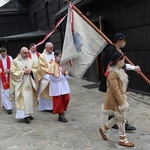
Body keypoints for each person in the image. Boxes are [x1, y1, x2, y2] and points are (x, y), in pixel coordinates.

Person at [99, 33, 141, 131]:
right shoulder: (110, 50)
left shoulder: (118, 51)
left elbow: (120, 65)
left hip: (118, 80)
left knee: (114, 103)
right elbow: (115, 65)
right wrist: (134, 67)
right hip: (114, 80)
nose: (125, 42)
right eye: (124, 40)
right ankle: (124, 124)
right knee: (120, 103)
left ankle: (109, 125)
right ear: (119, 40)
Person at [99, 52, 134, 147]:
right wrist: (122, 103)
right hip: (115, 100)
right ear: (118, 61)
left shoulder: (119, 71)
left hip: (119, 98)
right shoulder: (113, 74)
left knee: (119, 117)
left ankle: (103, 129)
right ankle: (123, 139)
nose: (123, 61)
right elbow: (115, 90)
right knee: (122, 118)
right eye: (122, 60)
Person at [10, 47, 38, 123]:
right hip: (20, 83)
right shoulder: (15, 61)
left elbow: (36, 69)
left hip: (29, 81)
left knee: (29, 98)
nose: (26, 54)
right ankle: (24, 116)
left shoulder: (30, 61)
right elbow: (13, 72)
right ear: (20, 52)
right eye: (25, 53)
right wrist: (23, 72)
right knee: (22, 98)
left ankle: (28, 114)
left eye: (27, 53)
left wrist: (31, 71)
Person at [47, 50, 71, 122]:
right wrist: (61, 73)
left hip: (64, 85)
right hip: (57, 87)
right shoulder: (52, 65)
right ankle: (61, 115)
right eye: (59, 56)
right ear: (55, 56)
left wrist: (65, 74)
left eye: (61, 56)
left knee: (67, 98)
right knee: (59, 101)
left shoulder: (62, 65)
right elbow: (52, 78)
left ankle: (63, 111)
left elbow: (66, 76)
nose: (60, 58)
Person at [37, 42, 55, 112]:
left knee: (53, 93)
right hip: (46, 77)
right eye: (51, 48)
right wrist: (49, 74)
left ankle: (54, 106)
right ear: (46, 48)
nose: (52, 49)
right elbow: (41, 68)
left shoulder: (54, 54)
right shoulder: (42, 56)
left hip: (54, 77)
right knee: (46, 93)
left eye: (52, 47)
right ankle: (47, 107)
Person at [0, 47, 13, 114]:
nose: (4, 56)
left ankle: (6, 105)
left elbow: (13, 67)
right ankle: (8, 107)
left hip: (9, 77)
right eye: (3, 55)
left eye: (5, 54)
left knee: (8, 92)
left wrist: (9, 70)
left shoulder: (10, 58)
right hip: (1, 78)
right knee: (4, 92)